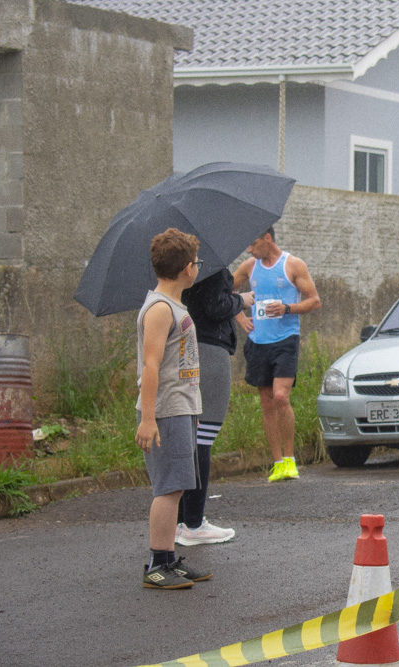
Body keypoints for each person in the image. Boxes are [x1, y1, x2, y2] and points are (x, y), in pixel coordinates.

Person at [136, 227, 213, 590]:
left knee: (179, 485)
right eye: (196, 262)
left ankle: (168, 559)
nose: (198, 267)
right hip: (166, 409)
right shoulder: (160, 309)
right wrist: (148, 419)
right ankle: (156, 562)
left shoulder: (174, 305)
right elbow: (150, 366)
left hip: (182, 406)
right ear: (187, 268)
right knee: (168, 487)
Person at [232, 227, 321, 482]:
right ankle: (278, 463)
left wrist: (286, 308)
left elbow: (314, 300)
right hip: (258, 341)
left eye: (253, 243)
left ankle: (291, 460)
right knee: (268, 402)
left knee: (281, 396)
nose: (249, 250)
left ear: (267, 239)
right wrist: (239, 317)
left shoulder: (292, 264)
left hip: (285, 340)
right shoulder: (250, 266)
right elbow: (224, 289)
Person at [175, 268, 254, 545]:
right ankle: (194, 524)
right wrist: (240, 300)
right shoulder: (212, 267)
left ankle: (181, 521)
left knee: (189, 436)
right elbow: (215, 305)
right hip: (210, 349)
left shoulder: (184, 269)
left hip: (190, 346)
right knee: (203, 436)